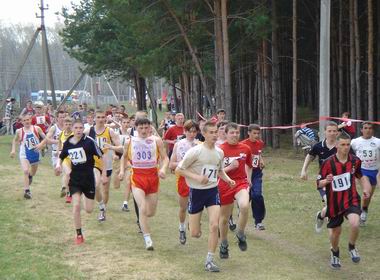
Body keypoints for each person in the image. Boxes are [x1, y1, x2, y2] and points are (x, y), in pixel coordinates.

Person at [176, 120, 235, 272]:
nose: (215, 135)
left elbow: (220, 170)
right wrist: (197, 178)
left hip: (212, 191)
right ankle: (193, 225)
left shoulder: (219, 152)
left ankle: (209, 260)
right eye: (211, 132)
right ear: (204, 134)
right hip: (196, 192)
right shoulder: (195, 151)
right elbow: (179, 169)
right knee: (195, 234)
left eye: (216, 132)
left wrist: (228, 180)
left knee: (214, 225)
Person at [317, 133, 371, 269]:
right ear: (336, 145)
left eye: (348, 144)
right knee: (336, 233)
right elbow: (318, 184)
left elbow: (360, 175)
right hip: (334, 202)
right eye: (342, 144)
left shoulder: (355, 160)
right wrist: (326, 181)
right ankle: (335, 252)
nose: (345, 147)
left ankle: (352, 247)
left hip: (351, 198)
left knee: (354, 223)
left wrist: (365, 188)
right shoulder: (328, 163)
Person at [119, 118, 169, 250]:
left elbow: (165, 158)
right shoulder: (130, 141)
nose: (143, 131)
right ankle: (147, 239)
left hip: (153, 178)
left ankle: (144, 226)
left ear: (150, 128)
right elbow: (124, 157)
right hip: (137, 178)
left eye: (146, 128)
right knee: (142, 207)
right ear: (135, 128)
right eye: (140, 128)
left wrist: (163, 169)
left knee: (150, 212)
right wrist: (122, 170)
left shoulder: (156, 141)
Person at [55, 119, 105, 245]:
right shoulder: (68, 142)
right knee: (76, 206)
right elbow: (61, 156)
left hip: (88, 179)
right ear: (72, 129)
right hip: (75, 179)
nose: (78, 130)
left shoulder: (89, 142)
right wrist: (58, 165)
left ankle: (86, 198)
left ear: (83, 129)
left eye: (80, 128)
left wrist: (103, 174)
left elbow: (101, 156)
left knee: (88, 210)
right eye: (76, 128)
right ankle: (79, 234)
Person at [218, 123, 252, 259]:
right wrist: (230, 167)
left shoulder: (245, 148)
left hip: (240, 183)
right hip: (225, 184)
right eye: (232, 133)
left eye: (237, 132)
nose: (235, 135)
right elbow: (216, 172)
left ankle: (240, 233)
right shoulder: (219, 150)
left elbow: (249, 165)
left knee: (244, 206)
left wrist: (248, 178)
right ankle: (224, 244)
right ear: (225, 134)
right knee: (224, 219)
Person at [300, 122, 339, 233]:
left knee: (336, 205)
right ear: (324, 132)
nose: (332, 133)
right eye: (329, 131)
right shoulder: (318, 146)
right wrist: (303, 170)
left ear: (337, 133)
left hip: (339, 181)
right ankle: (331, 226)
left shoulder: (341, 146)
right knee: (331, 203)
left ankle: (321, 216)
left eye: (334, 131)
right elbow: (310, 156)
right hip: (323, 181)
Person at [85, 110, 121, 221]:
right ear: (94, 118)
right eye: (98, 117)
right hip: (94, 164)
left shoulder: (110, 131)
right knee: (96, 185)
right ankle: (101, 207)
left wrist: (112, 148)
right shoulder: (88, 131)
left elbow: (120, 147)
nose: (100, 119)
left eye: (102, 117)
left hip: (108, 164)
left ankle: (103, 210)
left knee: (105, 190)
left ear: (105, 119)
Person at [169, 120, 200, 245]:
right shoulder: (179, 144)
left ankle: (193, 223)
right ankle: (181, 228)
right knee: (183, 206)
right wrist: (184, 163)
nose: (192, 134)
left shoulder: (200, 144)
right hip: (183, 177)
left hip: (197, 178)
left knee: (196, 205)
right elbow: (171, 164)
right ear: (184, 131)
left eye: (194, 131)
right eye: (189, 131)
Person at [350, 122, 380, 226]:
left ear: (373, 130)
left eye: (370, 128)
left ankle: (364, 210)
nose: (368, 130)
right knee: (367, 191)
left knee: (368, 196)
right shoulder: (355, 142)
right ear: (361, 130)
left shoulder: (378, 142)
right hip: (362, 171)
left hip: (375, 171)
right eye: (365, 128)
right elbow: (343, 146)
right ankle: (360, 213)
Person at [10, 114, 46, 199]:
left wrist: (41, 144)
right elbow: (14, 140)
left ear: (31, 120)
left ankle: (30, 176)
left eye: (28, 119)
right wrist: (13, 150)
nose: (27, 121)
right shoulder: (19, 131)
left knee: (32, 173)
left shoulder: (36, 128)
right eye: (25, 120)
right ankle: (27, 191)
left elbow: (46, 138)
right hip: (24, 154)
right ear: (22, 122)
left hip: (35, 153)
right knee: (25, 170)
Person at [241, 124, 266, 230]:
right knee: (245, 197)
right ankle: (241, 213)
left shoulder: (260, 143)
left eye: (258, 133)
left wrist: (261, 160)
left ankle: (258, 221)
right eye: (254, 133)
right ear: (249, 133)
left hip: (256, 173)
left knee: (257, 195)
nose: (256, 135)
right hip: (244, 173)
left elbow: (258, 154)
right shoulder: (243, 144)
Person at [45, 110, 66, 194]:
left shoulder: (68, 127)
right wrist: (58, 141)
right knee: (57, 172)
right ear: (57, 118)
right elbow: (47, 139)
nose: (62, 119)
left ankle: (64, 188)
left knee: (66, 171)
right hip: (56, 153)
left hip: (66, 153)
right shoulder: (54, 128)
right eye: (61, 117)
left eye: (64, 117)